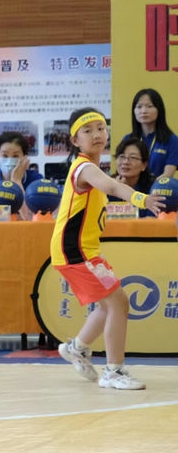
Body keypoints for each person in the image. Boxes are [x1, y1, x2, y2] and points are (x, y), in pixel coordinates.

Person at [51, 107, 164, 390]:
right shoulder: (85, 168)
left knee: (109, 304)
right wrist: (142, 199)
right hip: (74, 250)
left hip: (85, 250)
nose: (97, 134)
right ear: (75, 140)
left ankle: (77, 347)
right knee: (118, 303)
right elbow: (113, 187)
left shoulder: (91, 167)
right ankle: (113, 371)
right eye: (87, 131)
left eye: (101, 128)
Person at [0, 131, 43, 207]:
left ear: (25, 158)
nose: (9, 160)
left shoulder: (36, 179)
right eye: (5, 155)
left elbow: (30, 214)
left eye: (15, 156)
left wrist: (17, 181)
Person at [127, 88, 178, 179]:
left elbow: (168, 175)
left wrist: (150, 186)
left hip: (159, 186)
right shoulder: (128, 140)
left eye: (149, 106)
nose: (143, 111)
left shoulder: (171, 140)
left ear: (159, 110)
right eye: (139, 107)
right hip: (131, 188)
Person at [109, 136, 155, 218]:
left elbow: (152, 220)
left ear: (144, 165)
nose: (125, 162)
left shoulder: (152, 188)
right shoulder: (107, 185)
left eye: (133, 157)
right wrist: (119, 191)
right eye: (122, 157)